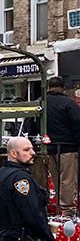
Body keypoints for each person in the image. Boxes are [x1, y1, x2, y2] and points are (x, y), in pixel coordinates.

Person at [45, 76, 80, 216]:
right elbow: (77, 124)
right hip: (68, 147)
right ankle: (67, 210)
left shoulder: (42, 102)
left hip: (49, 147)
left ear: (48, 87)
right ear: (63, 88)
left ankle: (58, 207)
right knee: (68, 180)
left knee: (55, 179)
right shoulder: (69, 103)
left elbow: (32, 123)